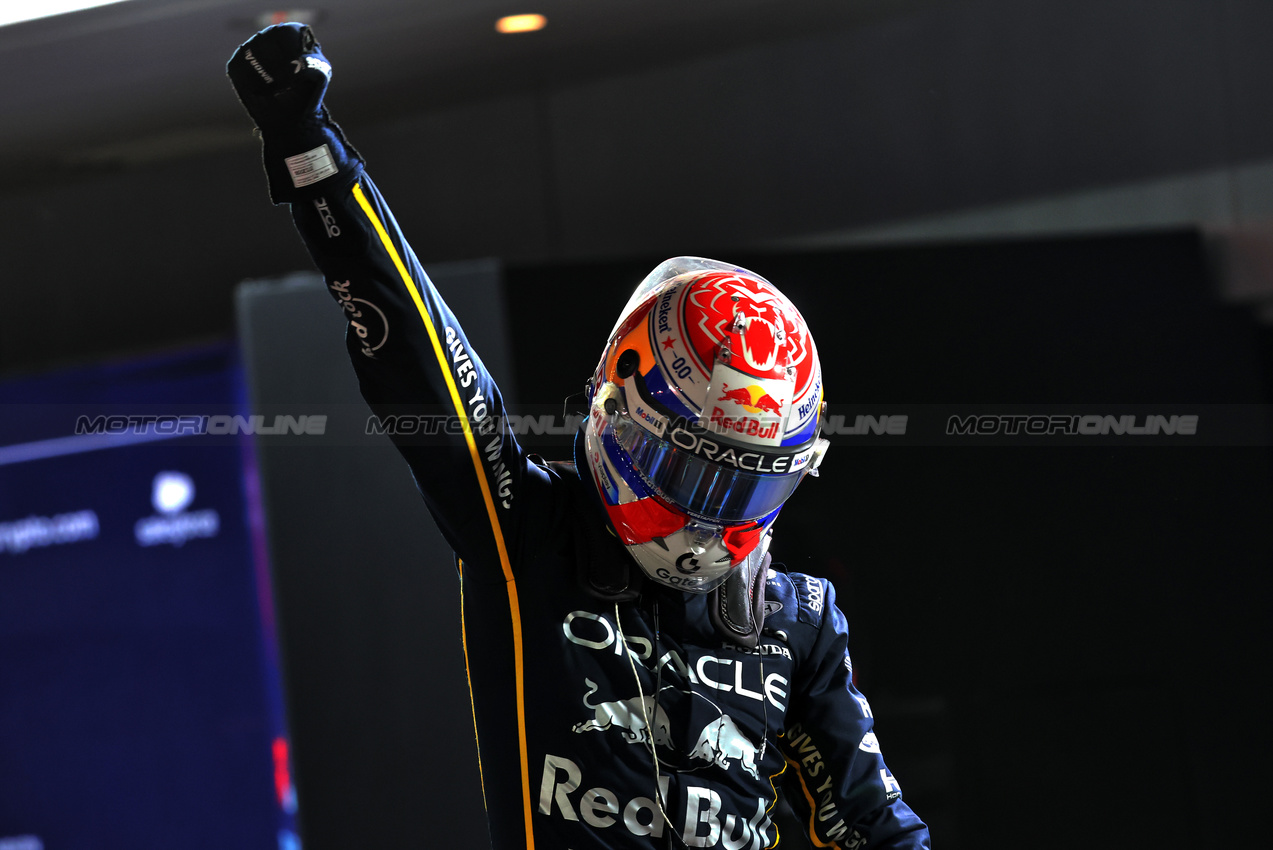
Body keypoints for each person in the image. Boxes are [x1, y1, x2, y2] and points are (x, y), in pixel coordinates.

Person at [227, 24, 931, 850]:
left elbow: (878, 832)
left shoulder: (800, 620)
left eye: (744, 485)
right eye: (692, 472)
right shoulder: (529, 531)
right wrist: (312, 157)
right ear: (622, 415)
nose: (708, 521)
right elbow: (423, 363)